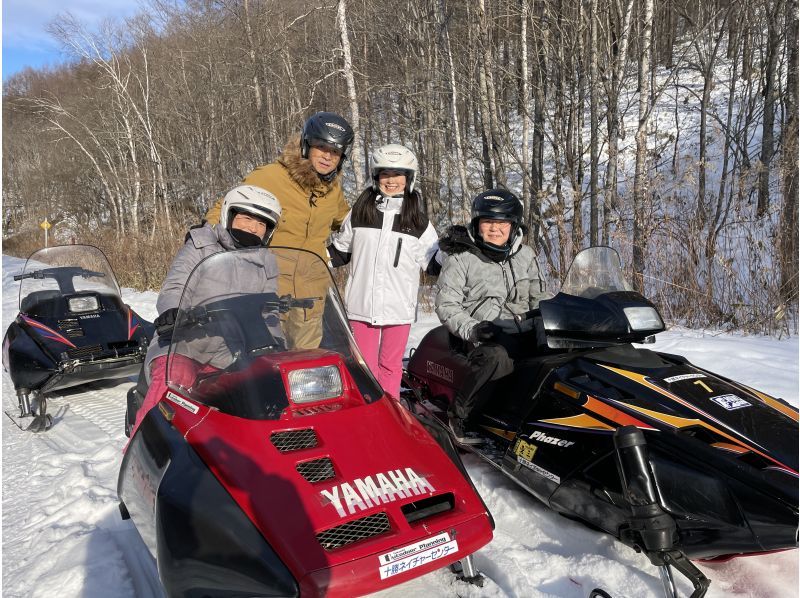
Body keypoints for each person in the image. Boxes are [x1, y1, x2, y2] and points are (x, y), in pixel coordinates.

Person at [128, 185, 283, 439]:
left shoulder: (266, 261)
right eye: (246, 218)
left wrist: (277, 345)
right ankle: (144, 449)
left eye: (262, 223)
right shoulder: (201, 245)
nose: (253, 228)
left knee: (268, 389)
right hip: (183, 343)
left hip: (231, 351)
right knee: (176, 381)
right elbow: (176, 285)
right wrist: (173, 312)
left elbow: (269, 310)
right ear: (228, 216)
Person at [204, 111, 354, 350]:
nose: (328, 156)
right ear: (307, 144)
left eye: (335, 152)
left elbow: (348, 221)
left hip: (310, 298)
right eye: (322, 147)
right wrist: (205, 241)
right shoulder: (270, 177)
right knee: (266, 364)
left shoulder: (333, 191)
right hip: (269, 292)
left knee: (305, 369)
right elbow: (225, 208)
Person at [435, 188, 547, 443]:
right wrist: (473, 328)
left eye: (502, 223)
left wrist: (549, 321)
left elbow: (539, 296)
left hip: (520, 329)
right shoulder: (461, 258)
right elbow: (447, 305)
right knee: (498, 357)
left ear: (514, 226)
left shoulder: (525, 255)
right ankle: (462, 416)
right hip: (480, 335)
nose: (495, 229)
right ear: (477, 224)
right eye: (488, 222)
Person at [328, 144, 440, 399]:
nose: (391, 181)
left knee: (390, 367)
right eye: (385, 174)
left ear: (408, 178)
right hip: (361, 307)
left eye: (397, 174)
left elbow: (433, 263)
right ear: (376, 177)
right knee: (363, 369)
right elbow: (339, 252)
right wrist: (307, 260)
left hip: (397, 308)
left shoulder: (418, 221)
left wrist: (452, 251)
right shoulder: (360, 213)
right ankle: (365, 414)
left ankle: (390, 412)